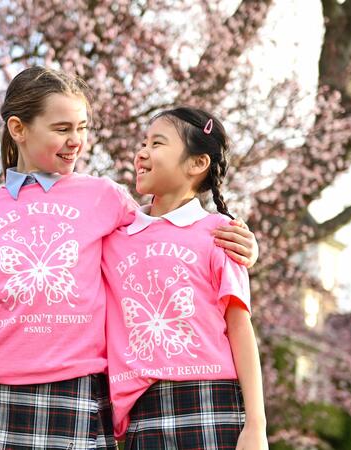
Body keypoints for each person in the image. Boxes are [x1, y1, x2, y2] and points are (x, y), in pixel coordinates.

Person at [0, 66, 258, 450]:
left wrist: (246, 246)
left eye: (81, 128)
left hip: (75, 392)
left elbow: (166, 231)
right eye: (62, 128)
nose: (76, 140)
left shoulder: (105, 197)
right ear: (18, 129)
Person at [103, 107, 267, 449]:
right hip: (142, 409)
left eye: (157, 143)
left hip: (212, 401)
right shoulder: (113, 237)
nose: (142, 152)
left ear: (197, 163)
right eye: (143, 143)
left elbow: (239, 327)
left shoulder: (221, 234)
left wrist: (256, 424)